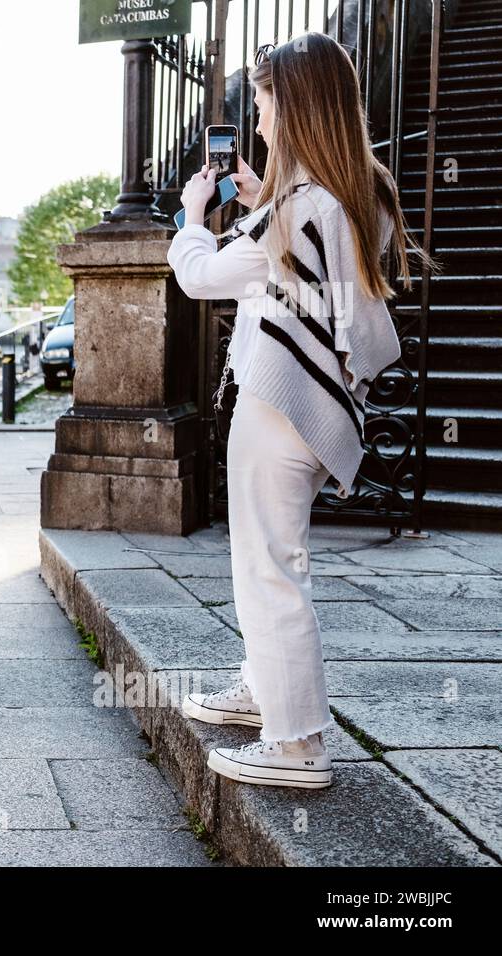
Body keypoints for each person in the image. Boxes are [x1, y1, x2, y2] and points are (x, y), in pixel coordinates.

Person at [167, 35, 426, 790]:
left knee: (268, 570)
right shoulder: (353, 193)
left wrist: (192, 215)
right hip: (318, 405)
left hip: (279, 405)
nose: (259, 115)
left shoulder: (298, 211)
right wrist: (258, 203)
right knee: (274, 559)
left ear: (294, 102)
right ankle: (263, 691)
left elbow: (203, 275)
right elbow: (304, 265)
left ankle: (297, 745)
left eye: (264, 99)